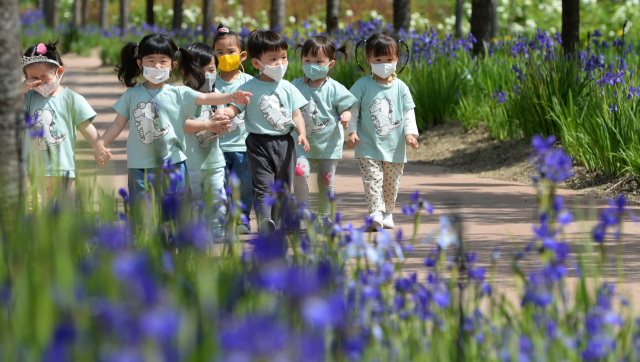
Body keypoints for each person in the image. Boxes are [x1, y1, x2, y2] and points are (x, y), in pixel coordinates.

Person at [95, 34, 251, 213]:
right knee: (141, 212)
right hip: (139, 165)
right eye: (151, 60)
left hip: (173, 163)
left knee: (174, 213)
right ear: (140, 63)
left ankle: (172, 239)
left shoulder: (180, 93)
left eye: (163, 61)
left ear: (173, 65)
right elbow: (117, 124)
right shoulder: (131, 95)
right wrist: (101, 142)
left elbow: (206, 97)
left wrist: (231, 96)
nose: (157, 66)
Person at [215, 30, 309, 234]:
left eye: (283, 57)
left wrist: (301, 133)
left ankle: (280, 221)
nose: (280, 63)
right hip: (258, 143)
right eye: (273, 59)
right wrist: (225, 113)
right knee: (263, 184)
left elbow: (296, 115)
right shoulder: (249, 86)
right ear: (257, 63)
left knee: (283, 185)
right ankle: (265, 220)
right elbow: (235, 109)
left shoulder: (288, 87)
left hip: (286, 143)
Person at [346, 30, 420, 230]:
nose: (384, 63)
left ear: (397, 59)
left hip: (395, 147)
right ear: (368, 59)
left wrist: (410, 134)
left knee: (391, 182)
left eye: (389, 58)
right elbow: (353, 111)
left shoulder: (401, 88)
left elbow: (408, 113)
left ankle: (388, 212)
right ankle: (375, 213)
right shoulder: (362, 85)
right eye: (378, 59)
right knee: (372, 179)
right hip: (368, 145)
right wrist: (351, 133)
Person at [291, 35, 357, 229]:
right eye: (307, 61)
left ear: (330, 63)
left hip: (329, 145)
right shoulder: (295, 86)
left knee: (325, 181)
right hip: (302, 145)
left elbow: (347, 108)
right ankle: (303, 211)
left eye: (318, 61)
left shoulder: (335, 88)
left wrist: (346, 115)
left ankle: (324, 216)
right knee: (299, 172)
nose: (312, 65)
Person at [21, 40, 102, 198]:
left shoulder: (71, 98)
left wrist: (99, 145)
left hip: (62, 166)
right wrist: (21, 92)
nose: (41, 83)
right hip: (32, 167)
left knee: (58, 211)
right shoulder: (29, 97)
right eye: (34, 79)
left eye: (45, 77)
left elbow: (85, 126)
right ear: (26, 78)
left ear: (59, 71)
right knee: (33, 211)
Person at [181, 42, 229, 233]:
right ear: (186, 72)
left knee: (217, 196)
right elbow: (182, 125)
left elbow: (223, 115)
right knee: (193, 198)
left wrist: (222, 118)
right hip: (189, 162)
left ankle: (217, 226)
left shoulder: (217, 95)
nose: (206, 75)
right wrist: (209, 124)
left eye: (211, 70)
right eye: (200, 71)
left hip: (214, 160)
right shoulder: (182, 95)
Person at [212, 23, 254, 234]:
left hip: (243, 145)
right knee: (218, 186)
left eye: (231, 52)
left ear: (242, 55)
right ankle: (220, 220)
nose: (225, 56)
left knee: (243, 185)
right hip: (215, 146)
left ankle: (242, 218)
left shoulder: (251, 82)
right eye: (219, 53)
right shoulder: (210, 84)